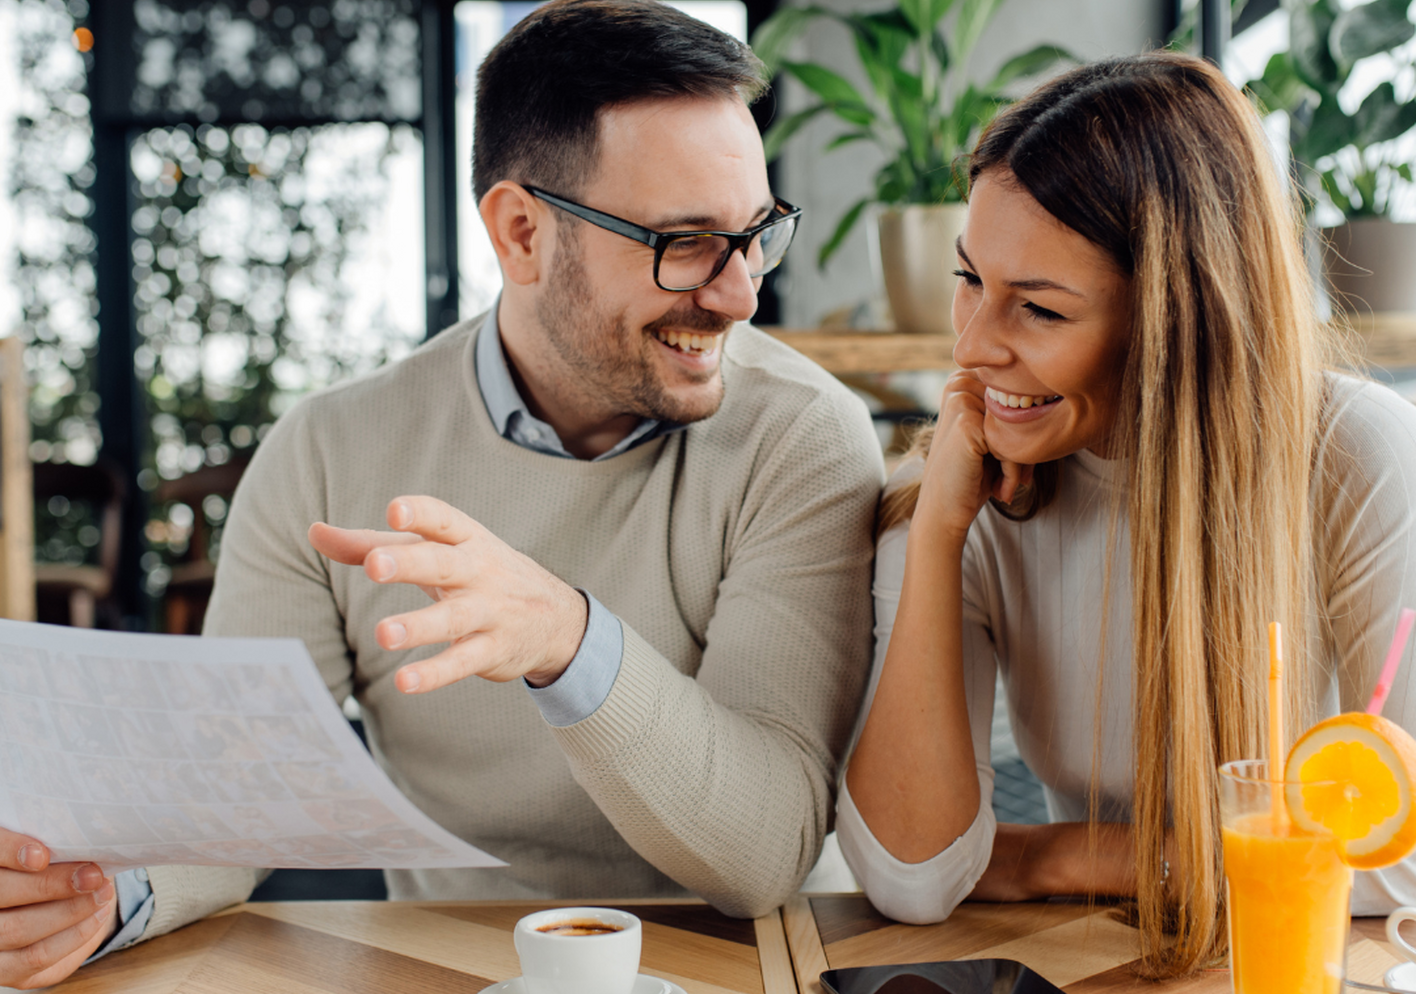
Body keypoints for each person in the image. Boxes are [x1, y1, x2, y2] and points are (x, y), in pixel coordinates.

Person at [0, 1, 884, 985]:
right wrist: (108, 891)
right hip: (449, 966)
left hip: (750, 964)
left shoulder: (804, 437)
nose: (740, 291)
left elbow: (760, 856)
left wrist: (567, 639)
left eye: (755, 232)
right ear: (520, 234)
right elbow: (238, 785)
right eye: (685, 242)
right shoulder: (331, 452)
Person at [836, 50, 1416, 978]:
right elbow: (912, 878)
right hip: (1087, 958)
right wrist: (937, 534)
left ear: (1172, 323)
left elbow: (1408, 856)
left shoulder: (1358, 458)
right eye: (969, 278)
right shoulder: (963, 481)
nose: (974, 345)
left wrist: (1049, 855)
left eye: (1038, 310)